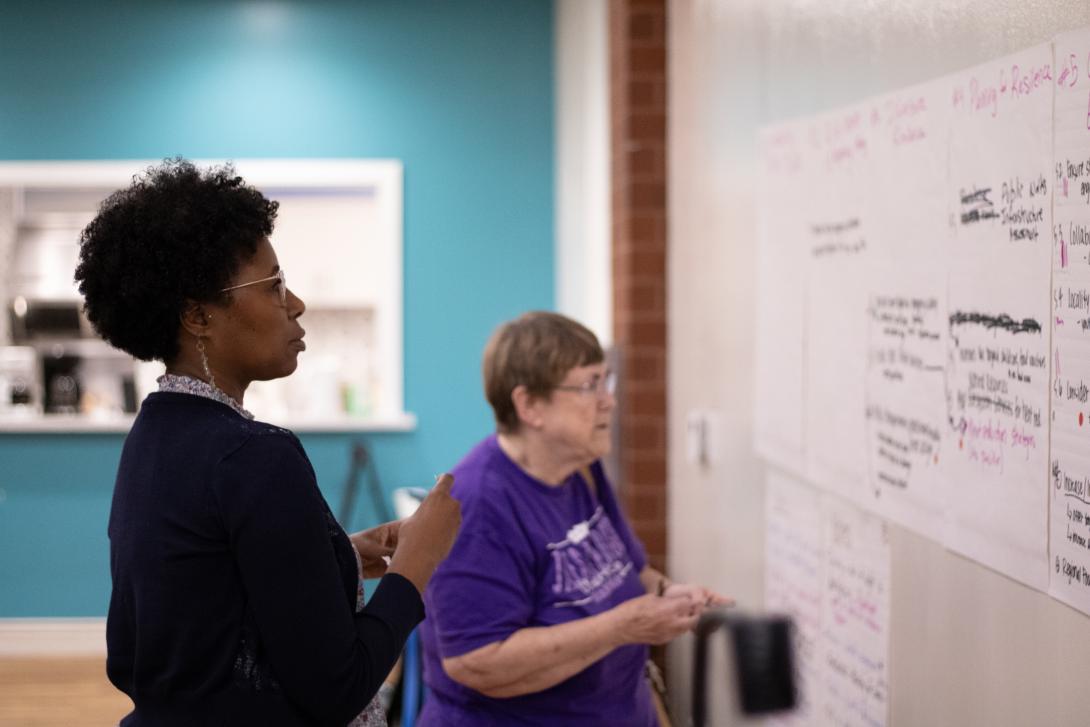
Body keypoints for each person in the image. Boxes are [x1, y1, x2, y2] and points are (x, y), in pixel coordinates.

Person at [75, 158, 460, 726]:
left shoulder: (156, 433)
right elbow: (337, 688)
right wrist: (416, 569)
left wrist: (336, 555)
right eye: (274, 284)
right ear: (198, 316)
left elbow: (202, 593)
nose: (296, 303)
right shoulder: (254, 454)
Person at [418, 311, 730, 726]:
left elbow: (630, 573)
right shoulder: (476, 505)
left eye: (607, 381)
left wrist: (669, 595)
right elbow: (476, 663)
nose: (609, 400)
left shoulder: (581, 466)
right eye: (589, 386)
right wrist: (623, 626)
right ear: (529, 405)